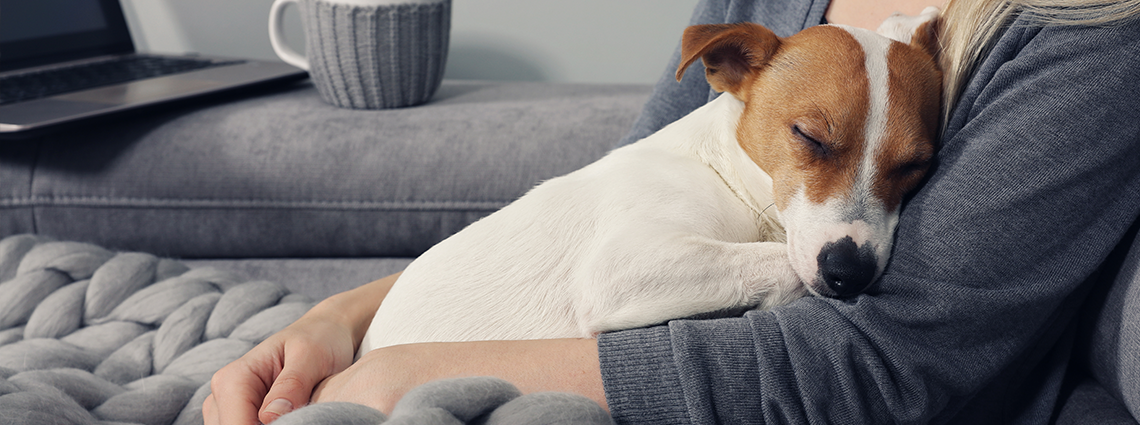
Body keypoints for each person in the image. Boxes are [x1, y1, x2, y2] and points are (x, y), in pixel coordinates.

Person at [204, 0, 1140, 423]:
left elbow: (878, 366)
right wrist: (343, 316)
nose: (860, 212)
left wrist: (420, 365)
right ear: (726, 74)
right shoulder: (760, 39)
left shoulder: (1076, 37)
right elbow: (605, 223)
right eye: (813, 144)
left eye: (906, 176)